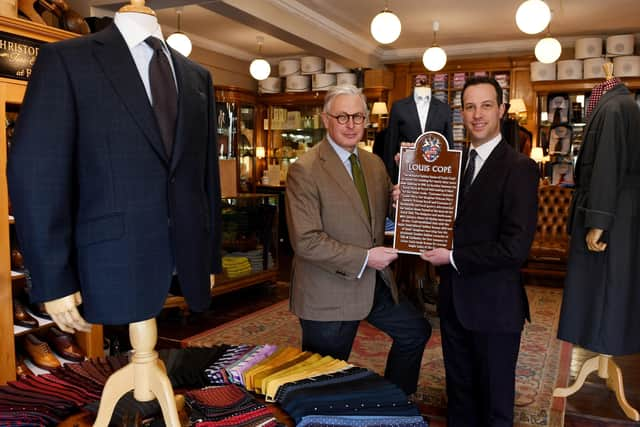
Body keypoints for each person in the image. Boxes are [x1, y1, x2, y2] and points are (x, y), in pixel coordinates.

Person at [8, 2, 222, 333]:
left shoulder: (197, 77)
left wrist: (208, 256)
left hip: (185, 256)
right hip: (107, 260)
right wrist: (53, 277)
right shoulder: (67, 60)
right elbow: (36, 176)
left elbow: (206, 177)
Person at [285, 84, 431, 396]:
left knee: (416, 331)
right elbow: (306, 241)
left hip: (373, 283)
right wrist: (366, 258)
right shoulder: (305, 170)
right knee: (324, 382)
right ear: (326, 120)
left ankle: (393, 403)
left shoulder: (374, 164)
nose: (351, 124)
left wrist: (402, 196)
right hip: (328, 291)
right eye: (343, 117)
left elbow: (384, 217)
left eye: (358, 117)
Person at [420, 76, 539, 426]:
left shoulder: (519, 168)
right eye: (469, 106)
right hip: (454, 302)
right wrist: (409, 197)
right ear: (462, 113)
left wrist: (453, 258)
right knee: (460, 394)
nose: (477, 114)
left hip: (495, 308)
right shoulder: (452, 166)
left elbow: (515, 249)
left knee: (495, 403)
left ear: (501, 110)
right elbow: (442, 219)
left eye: (486, 105)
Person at [557, 74, 640, 356]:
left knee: (604, 288)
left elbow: (607, 166)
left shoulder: (614, 108)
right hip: (620, 212)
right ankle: (603, 342)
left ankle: (602, 343)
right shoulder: (622, 104)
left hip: (609, 214)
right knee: (610, 287)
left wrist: (598, 222)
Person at [384, 74, 453, 182]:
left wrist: (449, 180)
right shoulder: (398, 107)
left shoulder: (444, 109)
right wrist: (390, 180)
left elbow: (449, 146)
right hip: (405, 174)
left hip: (434, 175)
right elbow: (391, 144)